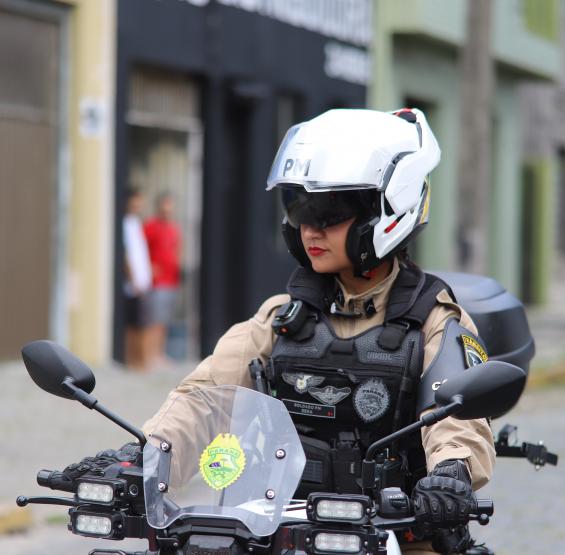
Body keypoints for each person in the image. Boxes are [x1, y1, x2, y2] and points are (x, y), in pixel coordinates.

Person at [140, 108, 495, 554]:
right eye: (299, 207)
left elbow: (457, 421)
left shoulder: (436, 321)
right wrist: (147, 457)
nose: (309, 227)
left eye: (329, 211)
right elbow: (202, 397)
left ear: (388, 207)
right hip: (283, 529)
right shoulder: (282, 317)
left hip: (395, 534)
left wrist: (451, 474)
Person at [143, 191, 181, 367]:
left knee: (164, 320)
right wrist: (150, 267)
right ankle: (149, 354)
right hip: (157, 282)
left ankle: (159, 353)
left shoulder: (173, 228)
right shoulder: (151, 227)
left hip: (170, 280)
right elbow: (142, 250)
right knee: (153, 319)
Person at [122, 189, 152, 370]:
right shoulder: (125, 223)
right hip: (133, 284)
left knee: (142, 321)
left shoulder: (136, 222)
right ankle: (134, 360)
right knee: (135, 324)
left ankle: (141, 359)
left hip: (142, 281)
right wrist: (133, 278)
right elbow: (126, 254)